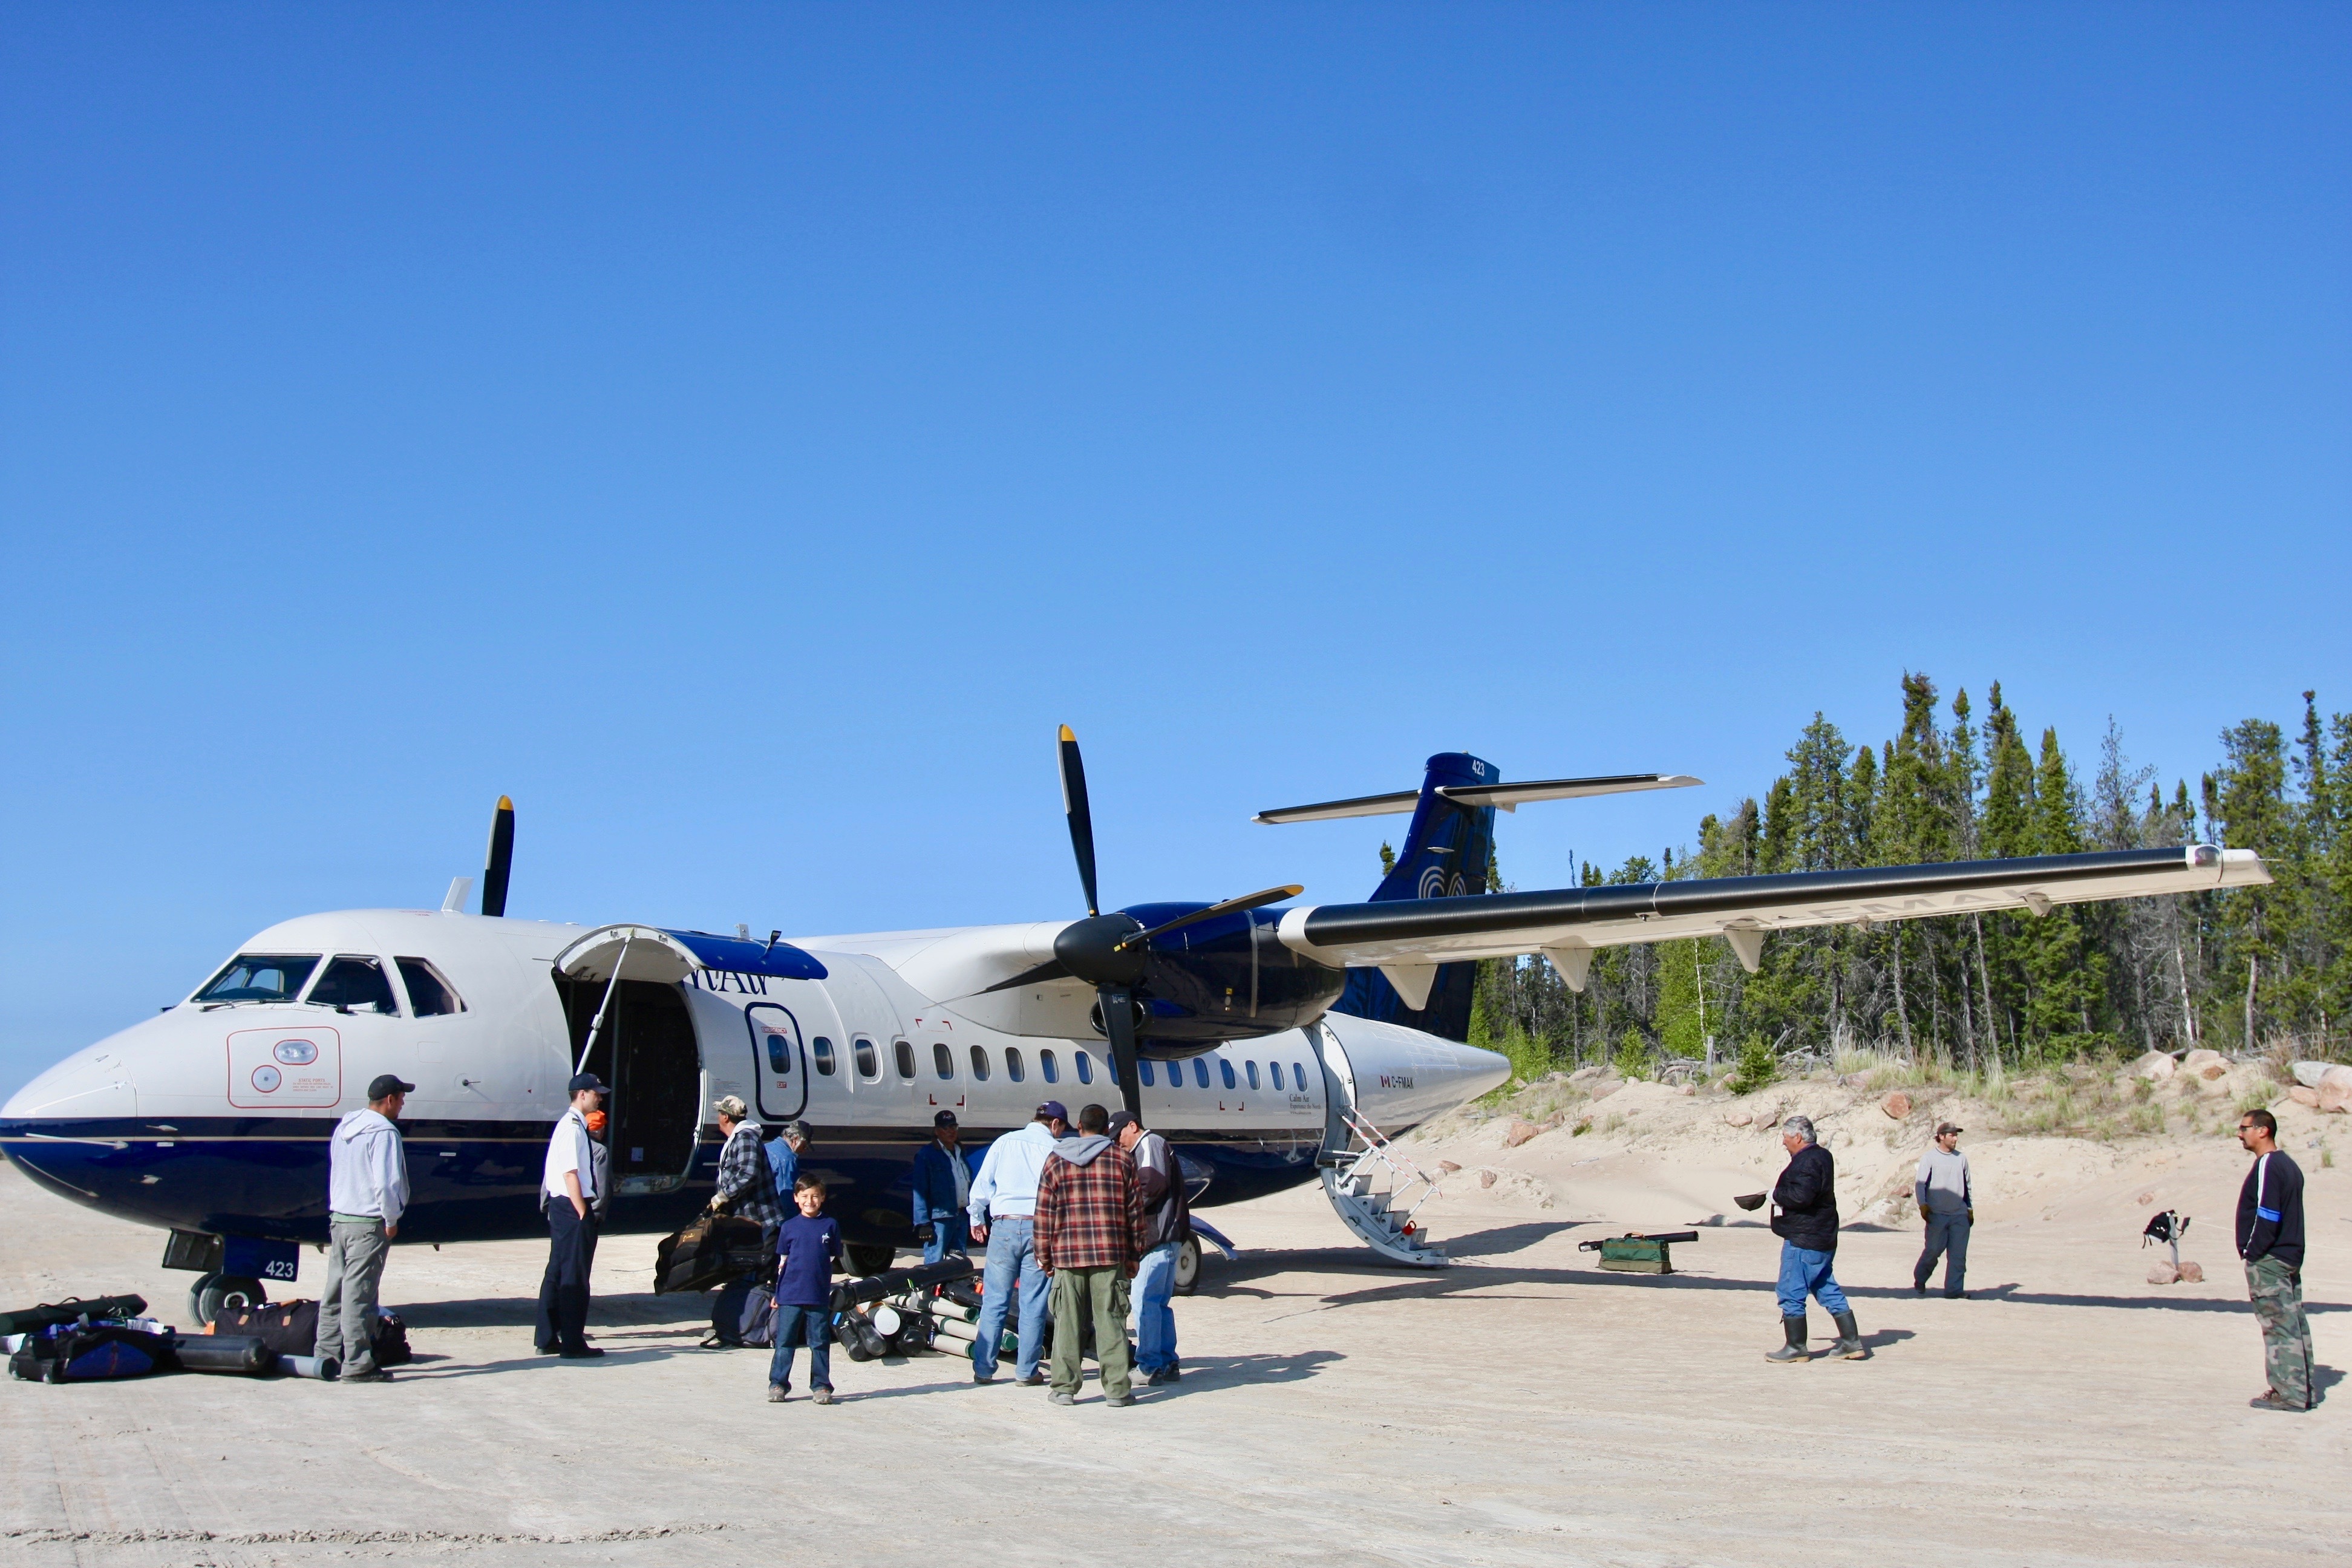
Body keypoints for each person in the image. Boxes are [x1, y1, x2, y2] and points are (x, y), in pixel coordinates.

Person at [1035, 1103, 1149, 1408]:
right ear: (1105, 1129)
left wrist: (1044, 1256)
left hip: (1067, 1255)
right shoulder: (1122, 1160)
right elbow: (1135, 1213)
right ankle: (1117, 1391)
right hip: (1110, 1254)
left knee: (1067, 1323)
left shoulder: (1056, 1161)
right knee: (1112, 1321)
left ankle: (1063, 1389)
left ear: (1079, 1126)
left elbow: (1045, 1213)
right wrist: (1135, 1252)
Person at [316, 1073, 413, 1383]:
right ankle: (358, 1364)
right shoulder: (384, 1133)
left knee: (335, 1291)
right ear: (389, 1100)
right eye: (401, 1099)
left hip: (340, 1218)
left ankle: (325, 1356)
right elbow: (387, 1183)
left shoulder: (345, 1126)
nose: (402, 1105)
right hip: (367, 1223)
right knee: (360, 1294)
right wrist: (391, 1219)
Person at [964, 1100, 1070, 1385]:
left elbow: (983, 1183)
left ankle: (984, 1369)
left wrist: (976, 1217)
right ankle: (1026, 1371)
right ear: (1056, 1125)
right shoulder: (1055, 1149)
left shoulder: (1004, 1142)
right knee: (1033, 1303)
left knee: (994, 1301)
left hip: (1004, 1225)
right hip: (1040, 1227)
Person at [1766, 1114, 1866, 1362]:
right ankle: (1852, 1342)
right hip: (1822, 1236)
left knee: (1790, 1290)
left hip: (1804, 1238)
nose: (1784, 1143)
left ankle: (1796, 1347)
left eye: (1786, 1138)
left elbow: (1801, 1196)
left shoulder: (1808, 1161)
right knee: (1824, 1286)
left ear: (1798, 1137)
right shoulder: (1822, 1156)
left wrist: (1775, 1195)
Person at [2236, 1109, 2313, 1413]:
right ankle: (2301, 1390)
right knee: (2294, 1322)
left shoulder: (2270, 1164)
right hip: (2287, 1255)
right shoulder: (2288, 1164)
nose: (2240, 1134)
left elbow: (2268, 1213)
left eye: (2244, 1128)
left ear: (2263, 1130)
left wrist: (2252, 1251)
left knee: (2279, 1325)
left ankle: (2290, 1394)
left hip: (2271, 1258)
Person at [1109, 1109, 1188, 1385]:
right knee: (1158, 1304)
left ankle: (1150, 1365)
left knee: (1145, 1304)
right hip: (1167, 1238)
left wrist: (1121, 1213)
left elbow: (1151, 1184)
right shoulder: (1148, 1146)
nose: (1118, 1142)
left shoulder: (1150, 1143)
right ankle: (1167, 1361)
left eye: (1119, 1135)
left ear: (1133, 1126)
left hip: (1157, 1237)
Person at [536, 1072, 607, 1358]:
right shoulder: (573, 1127)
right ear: (581, 1094)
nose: (599, 1098)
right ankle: (573, 1342)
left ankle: (547, 1335)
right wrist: (581, 1211)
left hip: (563, 1206)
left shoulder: (571, 1125)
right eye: (596, 1093)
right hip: (571, 1206)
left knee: (557, 1270)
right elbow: (570, 1173)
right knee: (575, 1276)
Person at [767, 1173, 843, 1405]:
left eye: (815, 1196)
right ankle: (778, 1384)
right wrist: (777, 1294)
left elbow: (831, 1258)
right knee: (785, 1341)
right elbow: (782, 1264)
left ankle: (821, 1386)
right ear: (796, 1199)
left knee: (819, 1342)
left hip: (818, 1296)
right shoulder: (789, 1227)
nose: (810, 1201)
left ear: (822, 1198)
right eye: (804, 1196)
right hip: (790, 1295)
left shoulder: (830, 1225)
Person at [711, 1096, 783, 1256]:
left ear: (725, 1117)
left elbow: (748, 1173)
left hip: (760, 1219)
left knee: (759, 1270)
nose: (718, 1117)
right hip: (749, 1220)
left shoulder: (746, 1138)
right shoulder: (739, 1138)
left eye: (719, 1113)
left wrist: (724, 1195)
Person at [1912, 1122, 1974, 1299]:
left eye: (1956, 1135)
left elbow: (1968, 1186)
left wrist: (1969, 1209)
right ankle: (1920, 1279)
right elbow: (1920, 1184)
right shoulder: (1930, 1158)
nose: (1955, 1138)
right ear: (1941, 1136)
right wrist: (1923, 1205)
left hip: (1959, 1215)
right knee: (1933, 1251)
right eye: (1952, 1135)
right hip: (1937, 1215)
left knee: (1958, 1257)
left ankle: (1954, 1291)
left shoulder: (1961, 1159)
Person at [911, 1111, 973, 1265]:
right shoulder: (927, 1155)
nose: (951, 1132)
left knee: (959, 1262)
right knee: (935, 1261)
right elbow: (920, 1190)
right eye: (946, 1128)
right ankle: (930, 1289)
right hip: (940, 1218)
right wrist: (923, 1223)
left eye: (954, 1127)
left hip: (961, 1215)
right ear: (937, 1131)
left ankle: (953, 1289)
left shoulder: (961, 1152)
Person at [765, 1119, 809, 1211]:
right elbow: (786, 1197)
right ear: (796, 1140)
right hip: (776, 1216)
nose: (804, 1150)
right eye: (804, 1146)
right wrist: (791, 1223)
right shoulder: (787, 1160)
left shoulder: (767, 1147)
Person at [583, 1108, 612, 1221]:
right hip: (590, 1210)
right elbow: (602, 1185)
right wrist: (596, 1212)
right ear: (601, 1131)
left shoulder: (572, 1144)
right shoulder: (600, 1151)